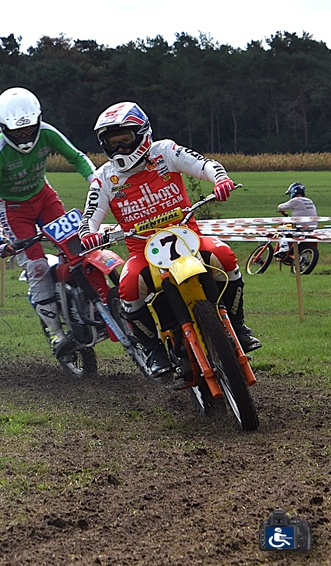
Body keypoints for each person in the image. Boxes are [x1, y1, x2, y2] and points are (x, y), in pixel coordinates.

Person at [77, 102, 260, 377]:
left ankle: (238, 324)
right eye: (112, 143)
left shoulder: (165, 152)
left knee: (223, 255)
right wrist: (88, 234)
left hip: (190, 240)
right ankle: (153, 349)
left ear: (142, 134)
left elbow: (204, 164)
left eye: (125, 139)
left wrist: (220, 179)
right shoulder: (104, 178)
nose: (120, 149)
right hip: (143, 251)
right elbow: (91, 213)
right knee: (128, 286)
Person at [0, 87, 96, 356]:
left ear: (38, 121)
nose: (24, 136)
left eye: (28, 130)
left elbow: (78, 158)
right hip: (13, 209)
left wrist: (98, 185)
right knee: (37, 266)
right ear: (2, 128)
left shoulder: (47, 133)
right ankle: (56, 333)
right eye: (17, 132)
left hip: (44, 197)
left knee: (77, 248)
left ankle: (89, 303)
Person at [275, 182, 318, 258]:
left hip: (301, 226)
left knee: (281, 229)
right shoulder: (309, 200)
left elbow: (280, 207)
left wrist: (282, 211)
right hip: (312, 226)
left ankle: (284, 248)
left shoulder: (295, 200)